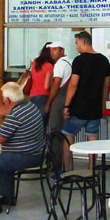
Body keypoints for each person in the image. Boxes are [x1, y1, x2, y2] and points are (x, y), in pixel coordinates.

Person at [0, 82, 45, 212]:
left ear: (7, 100)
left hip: (24, 156)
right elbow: (6, 109)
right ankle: (7, 197)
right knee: (4, 159)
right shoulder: (28, 105)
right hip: (35, 153)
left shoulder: (15, 115)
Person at [61, 31, 110, 170]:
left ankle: (67, 168)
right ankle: (91, 170)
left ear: (82, 42)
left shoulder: (79, 60)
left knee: (68, 136)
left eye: (76, 43)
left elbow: (73, 84)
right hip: (95, 108)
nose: (76, 46)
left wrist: (66, 105)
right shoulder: (104, 60)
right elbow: (106, 86)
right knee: (92, 139)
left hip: (78, 107)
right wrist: (102, 106)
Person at [44, 41, 73, 170]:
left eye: (55, 50)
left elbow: (56, 85)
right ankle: (66, 165)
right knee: (66, 133)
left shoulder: (60, 65)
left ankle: (57, 165)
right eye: (51, 50)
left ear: (62, 51)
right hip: (69, 100)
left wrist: (49, 102)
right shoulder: (71, 61)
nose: (52, 53)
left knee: (55, 132)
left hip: (60, 100)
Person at [27, 42, 55, 116]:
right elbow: (46, 86)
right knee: (42, 122)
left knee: (33, 120)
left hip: (32, 95)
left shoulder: (35, 62)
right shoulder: (49, 66)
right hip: (43, 97)